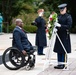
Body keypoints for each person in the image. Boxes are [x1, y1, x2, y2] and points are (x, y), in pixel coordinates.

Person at [53, 3, 72, 69]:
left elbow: (69, 26)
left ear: (65, 9)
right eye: (60, 10)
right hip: (59, 35)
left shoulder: (68, 17)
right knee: (59, 49)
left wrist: (60, 26)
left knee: (64, 50)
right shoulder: (58, 16)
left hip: (65, 35)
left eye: (62, 9)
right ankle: (59, 63)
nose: (61, 11)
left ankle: (64, 64)